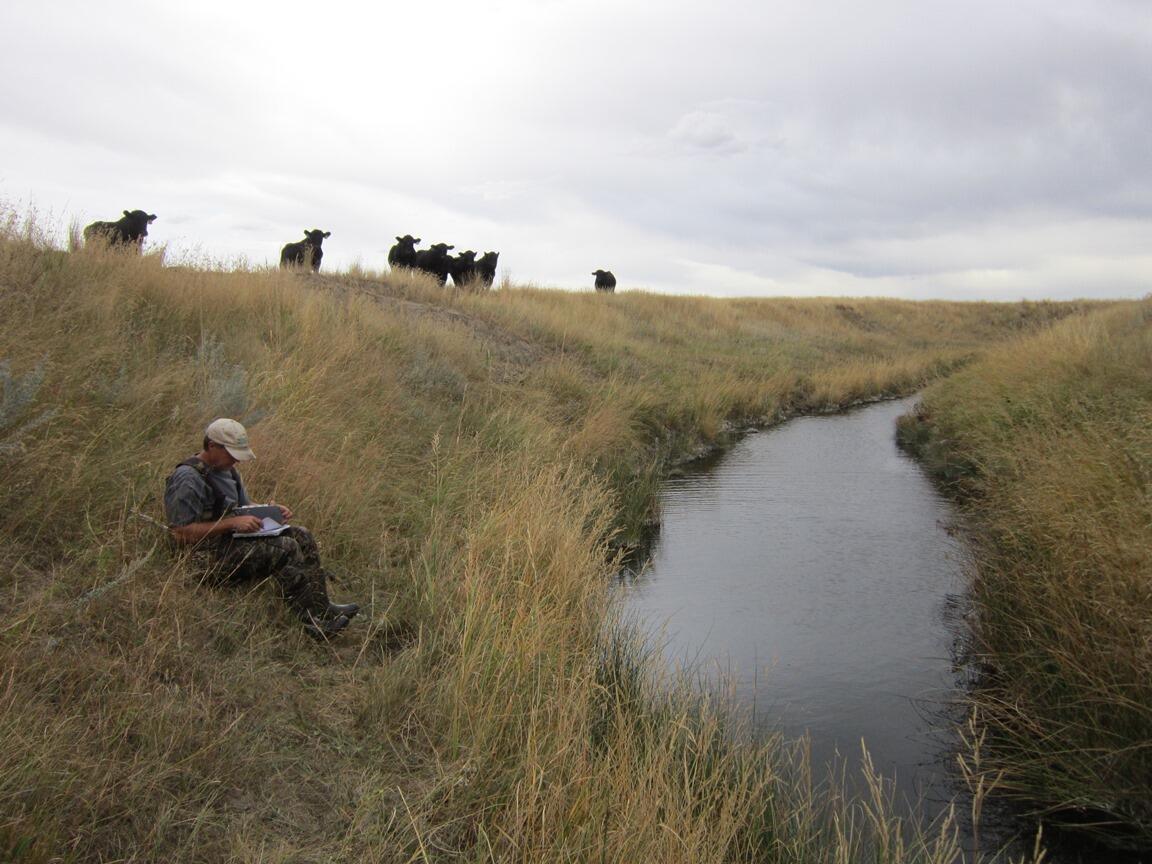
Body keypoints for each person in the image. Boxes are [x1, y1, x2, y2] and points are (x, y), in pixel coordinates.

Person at [163, 418, 360, 639]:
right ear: (211, 446)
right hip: (202, 559)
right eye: (231, 454)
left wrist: (271, 511)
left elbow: (242, 509)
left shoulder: (227, 470)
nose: (236, 461)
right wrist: (230, 524)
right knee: (285, 548)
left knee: (301, 535)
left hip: (229, 542)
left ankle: (321, 606)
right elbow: (179, 534)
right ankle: (313, 624)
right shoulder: (188, 478)